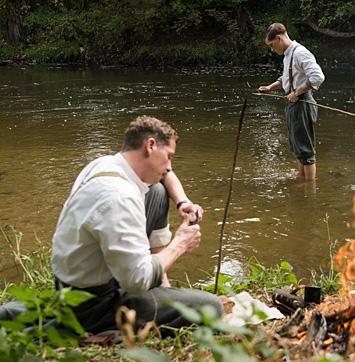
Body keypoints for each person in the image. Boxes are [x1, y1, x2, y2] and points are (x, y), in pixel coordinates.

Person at [50, 116, 223, 336]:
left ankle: (163, 289)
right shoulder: (120, 198)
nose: (169, 167)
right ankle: (98, 325)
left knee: (158, 191)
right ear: (150, 146)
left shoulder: (108, 164)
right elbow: (137, 281)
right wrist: (179, 244)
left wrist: (183, 202)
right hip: (91, 305)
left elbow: (166, 176)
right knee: (211, 308)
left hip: (71, 284)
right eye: (169, 157)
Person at [258, 22, 325, 180]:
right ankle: (302, 182)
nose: (272, 50)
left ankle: (310, 190)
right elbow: (286, 79)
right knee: (296, 148)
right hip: (293, 105)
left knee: (305, 150)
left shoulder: (300, 53)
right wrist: (269, 87)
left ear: (279, 38)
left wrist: (297, 92)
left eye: (271, 45)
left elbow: (318, 77)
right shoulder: (288, 55)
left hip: (302, 104)